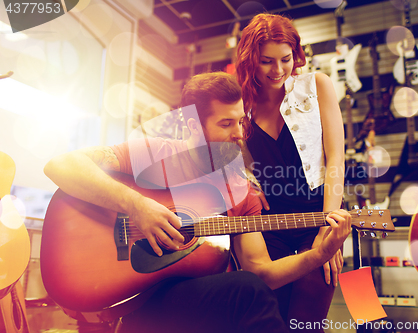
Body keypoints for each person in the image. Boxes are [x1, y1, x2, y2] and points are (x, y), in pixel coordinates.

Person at [44, 72, 350, 333]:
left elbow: (260, 272)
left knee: (247, 287)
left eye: (241, 122)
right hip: (135, 300)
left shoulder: (238, 188)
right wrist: (136, 205)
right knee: (246, 291)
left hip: (188, 300)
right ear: (193, 127)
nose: (239, 134)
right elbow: (60, 165)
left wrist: (319, 254)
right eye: (226, 124)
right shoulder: (153, 153)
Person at [235, 13, 346, 330]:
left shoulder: (317, 85)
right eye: (266, 61)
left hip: (317, 217)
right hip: (266, 226)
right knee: (267, 320)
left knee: (307, 322)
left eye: (286, 59)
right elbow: (238, 170)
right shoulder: (240, 104)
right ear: (250, 60)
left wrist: (329, 227)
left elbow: (335, 157)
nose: (278, 70)